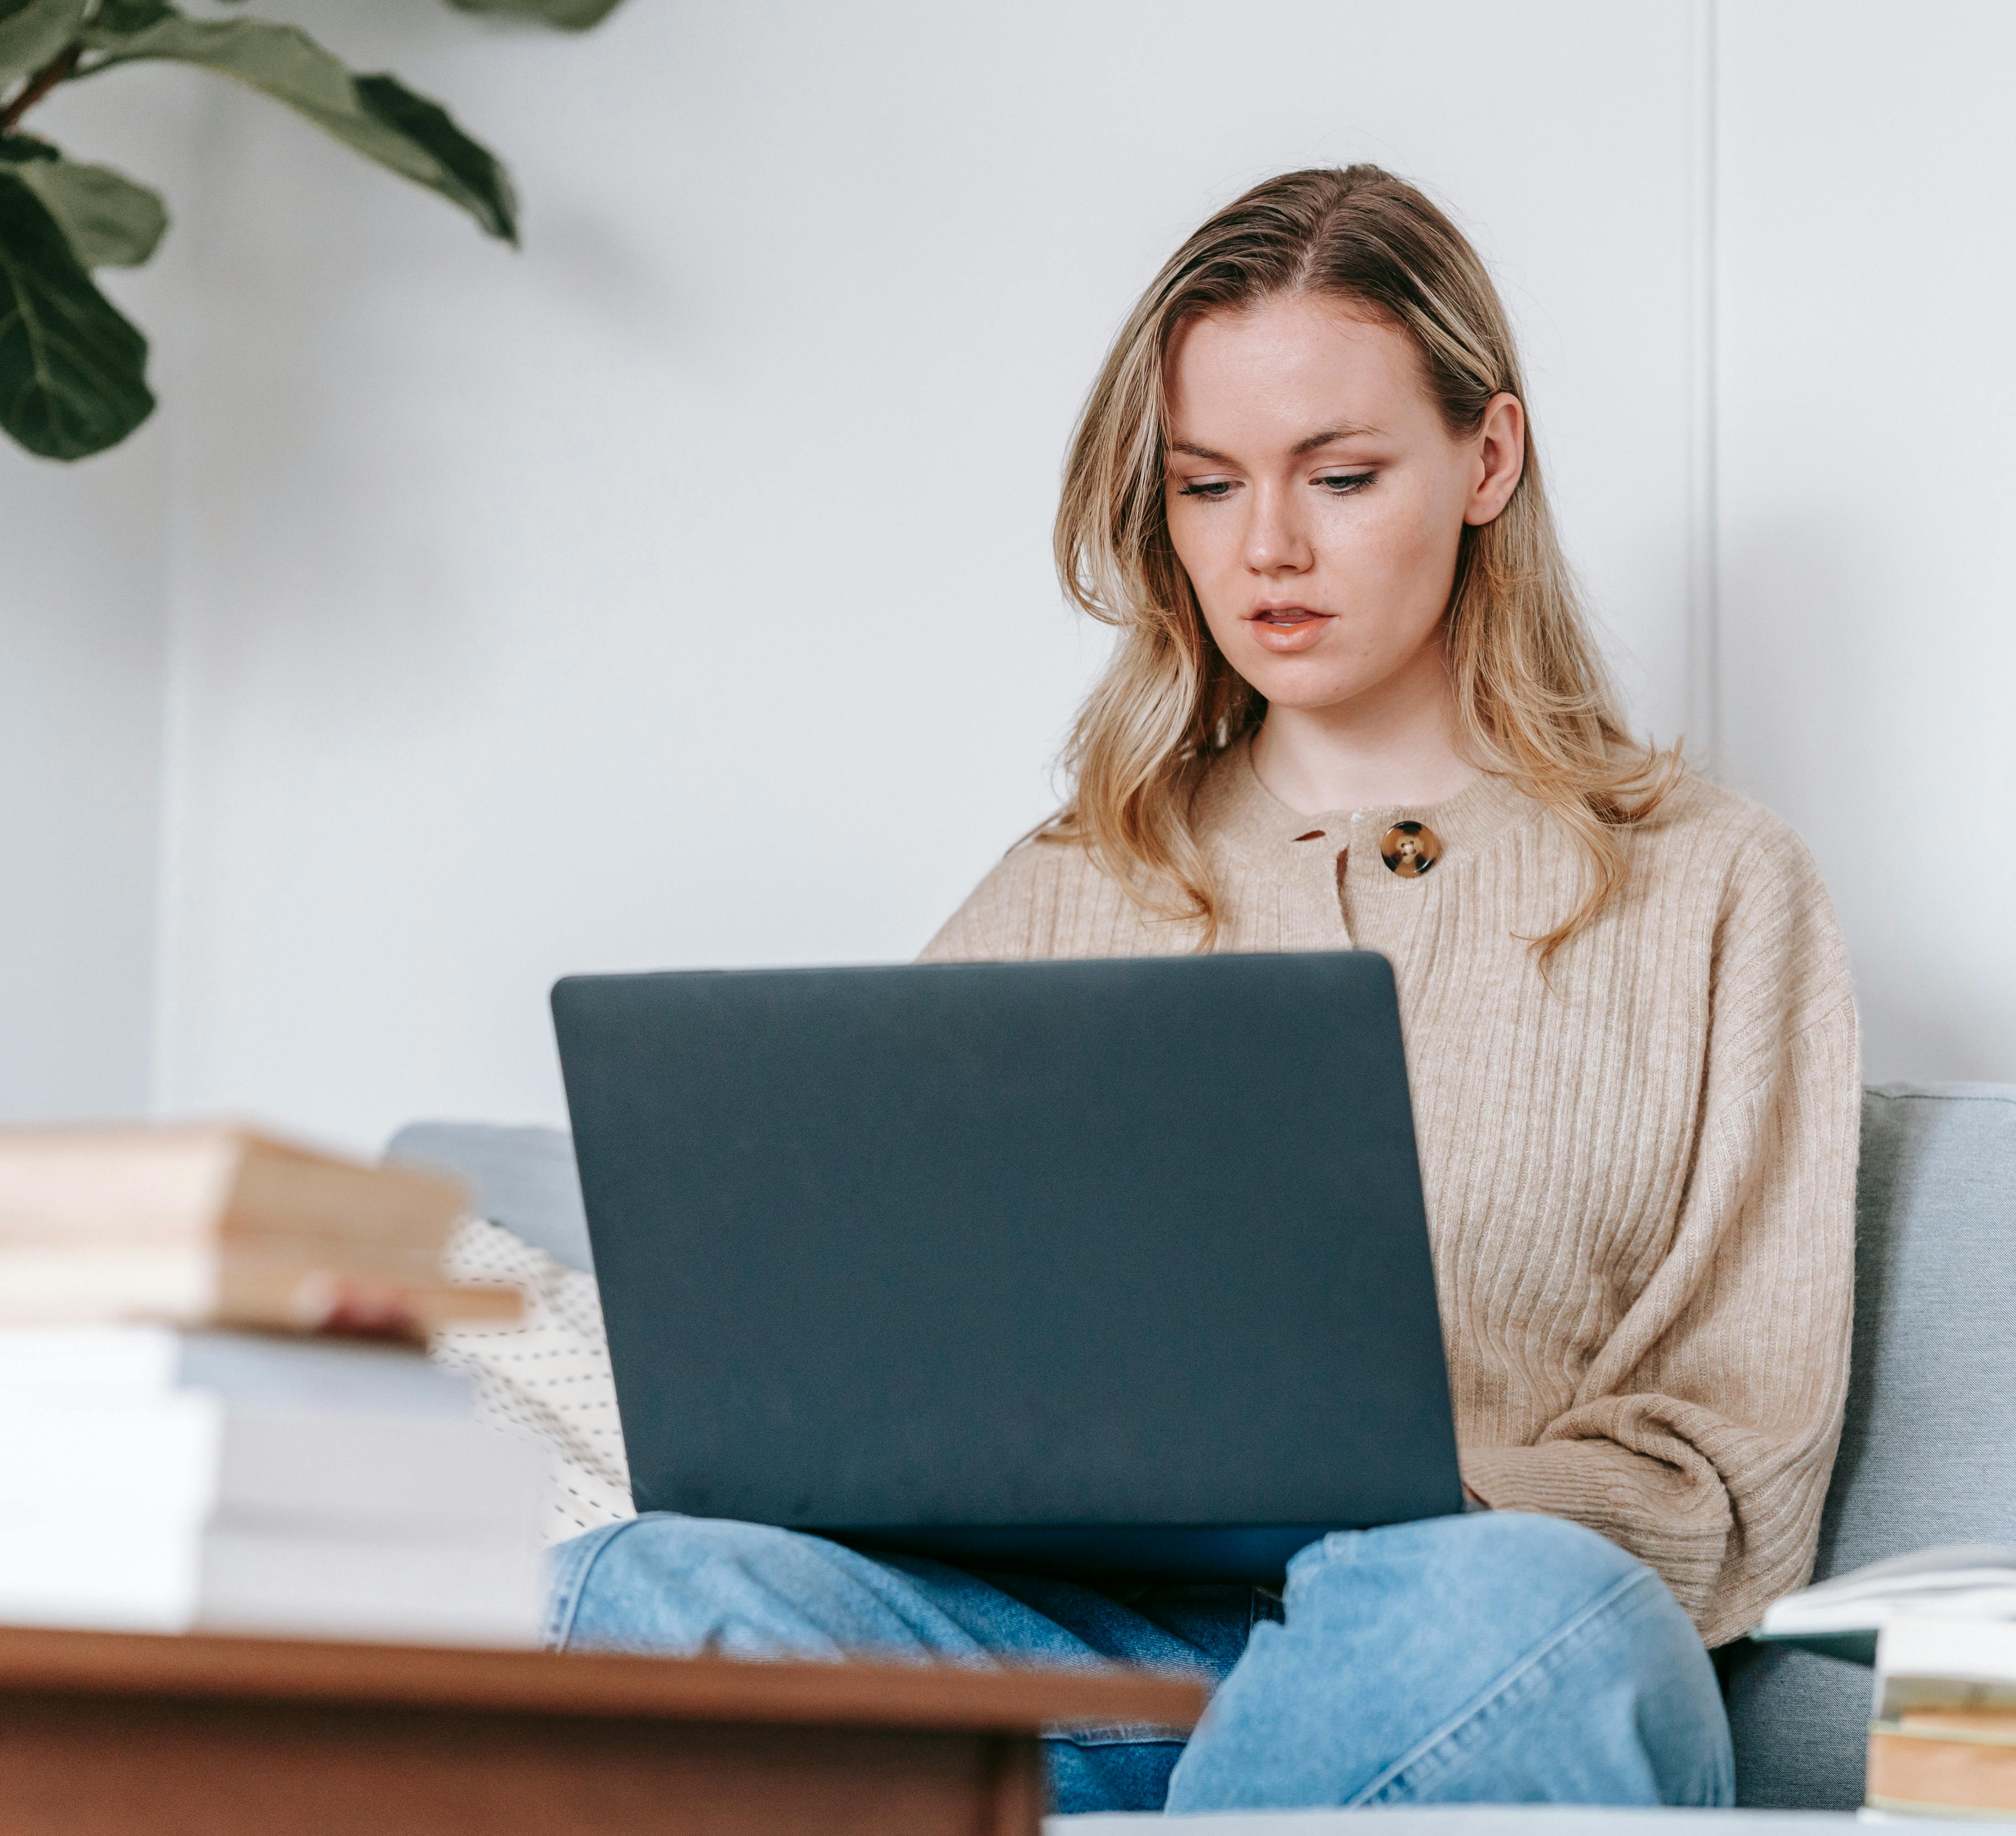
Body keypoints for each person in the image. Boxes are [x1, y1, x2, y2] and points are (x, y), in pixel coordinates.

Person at [540, 165, 1860, 1815]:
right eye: (1209, 487)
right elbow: (869, 1368)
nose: (1271, 549)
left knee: (1539, 1612)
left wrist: (1413, 1498)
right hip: (1076, 1666)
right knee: (633, 1589)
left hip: (1443, 1652)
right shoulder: (1061, 888)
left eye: (1344, 474)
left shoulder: (1714, 885)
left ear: (1487, 460)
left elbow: (1732, 1468)